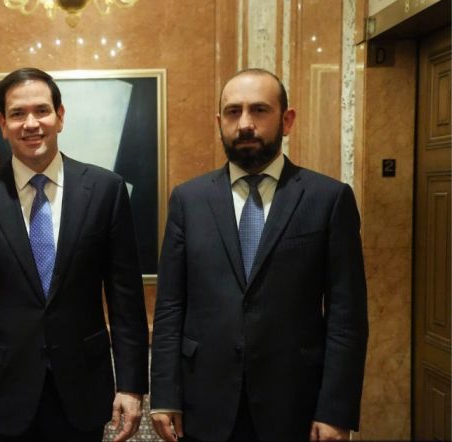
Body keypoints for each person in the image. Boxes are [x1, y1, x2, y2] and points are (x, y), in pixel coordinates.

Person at [149, 68, 369, 441]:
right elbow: (171, 306)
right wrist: (165, 396)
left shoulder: (328, 199)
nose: (245, 124)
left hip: (295, 403)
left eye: (260, 110)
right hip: (204, 402)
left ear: (287, 120)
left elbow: (346, 317)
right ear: (219, 123)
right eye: (233, 112)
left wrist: (336, 410)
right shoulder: (188, 200)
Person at [0, 67, 149, 441]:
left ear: (60, 117)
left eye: (42, 111)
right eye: (17, 113)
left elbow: (125, 298)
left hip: (81, 388)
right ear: (3, 124)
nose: (31, 123)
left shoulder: (105, 190)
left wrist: (131, 385)